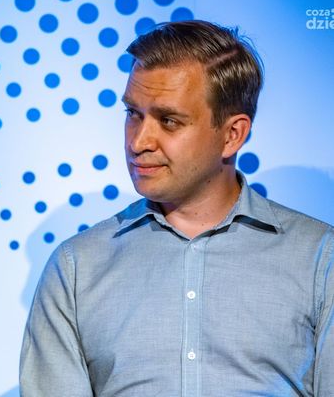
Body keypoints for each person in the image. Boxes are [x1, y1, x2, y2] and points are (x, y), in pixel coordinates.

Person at [19, 20, 334, 396]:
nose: (139, 141)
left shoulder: (320, 260)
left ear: (232, 134)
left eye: (168, 121)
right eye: (133, 114)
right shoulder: (76, 267)